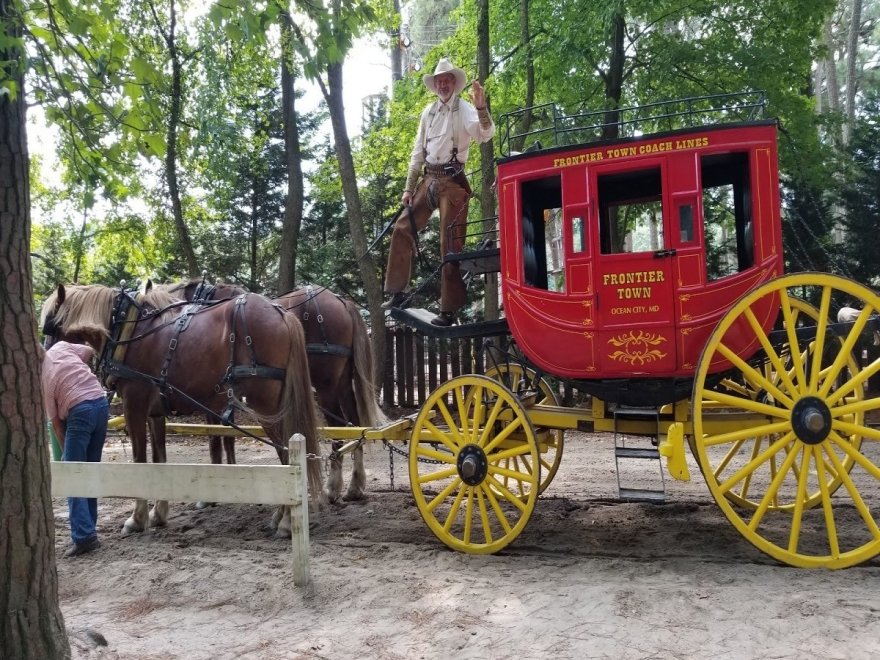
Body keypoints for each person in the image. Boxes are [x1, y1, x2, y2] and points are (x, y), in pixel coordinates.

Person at [381, 58, 496, 326]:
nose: (443, 84)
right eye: (439, 81)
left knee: (450, 245)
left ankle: (448, 310)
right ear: (435, 85)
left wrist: (482, 107)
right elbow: (417, 152)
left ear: (454, 83)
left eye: (447, 80)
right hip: (429, 178)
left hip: (453, 182)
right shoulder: (428, 113)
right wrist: (409, 188)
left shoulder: (466, 110)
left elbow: (485, 134)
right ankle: (398, 292)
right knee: (401, 227)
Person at [41, 340, 109, 557]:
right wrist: (76, 370)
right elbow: (89, 349)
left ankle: (83, 536)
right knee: (89, 470)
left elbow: (57, 425)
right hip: (100, 403)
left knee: (73, 474)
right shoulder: (61, 347)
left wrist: (66, 456)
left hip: (79, 411)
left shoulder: (43, 379)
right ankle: (89, 527)